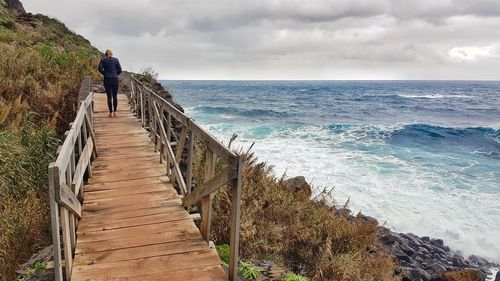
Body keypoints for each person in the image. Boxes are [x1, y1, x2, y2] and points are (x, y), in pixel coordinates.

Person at [98, 50, 122, 117]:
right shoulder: (116, 60)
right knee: (115, 96)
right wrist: (115, 74)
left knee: (109, 97)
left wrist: (105, 73)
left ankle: (111, 113)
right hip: (115, 79)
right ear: (112, 54)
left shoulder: (103, 60)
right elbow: (120, 70)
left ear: (106, 54)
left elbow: (99, 68)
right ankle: (115, 112)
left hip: (107, 79)